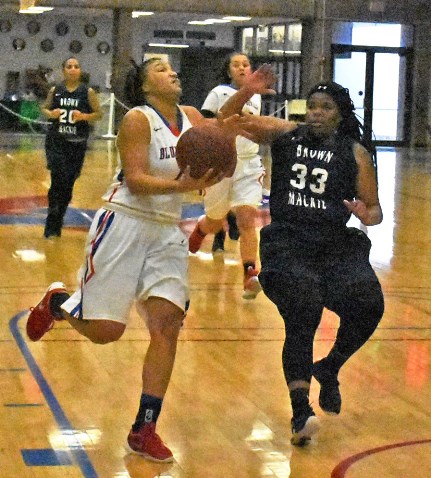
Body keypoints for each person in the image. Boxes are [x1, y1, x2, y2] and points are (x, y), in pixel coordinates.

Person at [26, 58, 275, 462]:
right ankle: (57, 302)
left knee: (167, 324)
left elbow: (224, 120)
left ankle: (144, 427)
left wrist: (250, 89)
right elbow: (138, 181)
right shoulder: (138, 120)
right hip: (124, 221)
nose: (173, 72)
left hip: (165, 230)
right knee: (106, 331)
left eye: (173, 68)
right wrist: (187, 184)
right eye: (161, 69)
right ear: (144, 86)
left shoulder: (191, 117)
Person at [239, 81, 384, 446]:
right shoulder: (288, 136)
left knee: (370, 305)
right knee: (303, 308)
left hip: (333, 245)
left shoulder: (355, 153)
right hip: (289, 242)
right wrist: (241, 97)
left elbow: (376, 210)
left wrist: (368, 215)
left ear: (340, 115)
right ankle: (300, 410)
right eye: (313, 106)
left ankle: (330, 366)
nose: (317, 113)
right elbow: (236, 121)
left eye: (326, 108)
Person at [188, 52, 266, 299]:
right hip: (221, 164)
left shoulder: (256, 98)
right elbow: (204, 130)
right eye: (236, 64)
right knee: (214, 219)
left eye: (246, 64)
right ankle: (201, 229)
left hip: (248, 164)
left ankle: (250, 273)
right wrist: (203, 165)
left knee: (246, 218)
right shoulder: (218, 93)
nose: (242, 68)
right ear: (228, 70)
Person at [41, 57, 102, 238]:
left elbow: (99, 114)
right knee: (57, 178)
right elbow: (44, 108)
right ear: (63, 71)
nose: (73, 69)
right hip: (56, 141)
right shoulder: (56, 90)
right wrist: (51, 113)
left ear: (80, 71)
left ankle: (59, 216)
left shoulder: (87, 92)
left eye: (76, 66)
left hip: (76, 143)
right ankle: (52, 222)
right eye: (69, 66)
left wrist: (83, 116)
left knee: (68, 184)